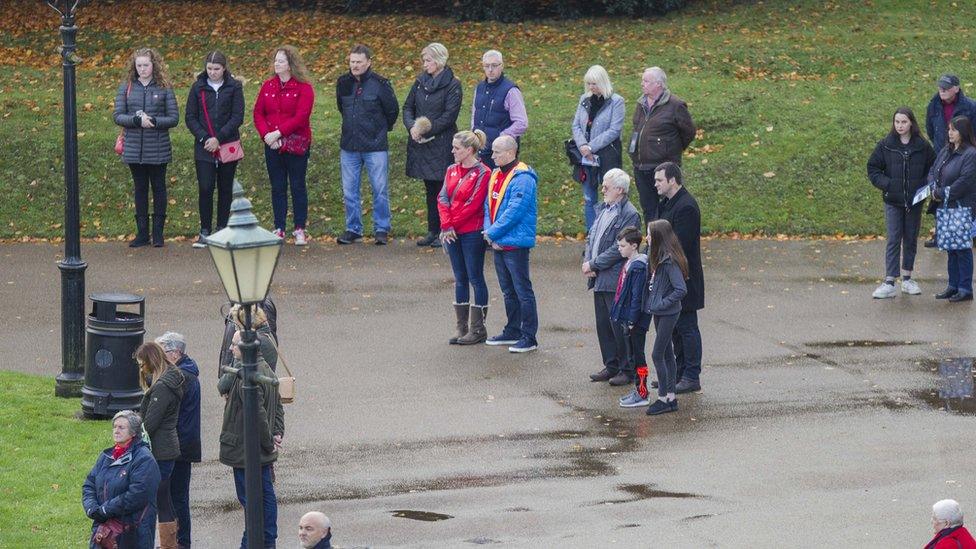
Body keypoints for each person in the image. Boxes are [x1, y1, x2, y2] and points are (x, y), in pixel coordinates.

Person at [219, 330, 285, 549]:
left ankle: (257, 543)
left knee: (254, 505)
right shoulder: (265, 370)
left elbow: (258, 416)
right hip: (255, 450)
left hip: (246, 451)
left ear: (246, 349)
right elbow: (277, 408)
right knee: (263, 499)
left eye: (234, 345)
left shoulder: (247, 376)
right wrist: (277, 432)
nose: (230, 349)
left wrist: (268, 443)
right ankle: (266, 540)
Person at [867, 107, 937, 298]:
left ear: (911, 123)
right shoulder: (886, 145)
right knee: (893, 239)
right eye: (897, 122)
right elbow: (873, 168)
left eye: (903, 122)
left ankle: (907, 278)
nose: (900, 125)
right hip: (893, 201)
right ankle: (889, 281)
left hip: (914, 202)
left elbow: (934, 167)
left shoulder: (922, 146)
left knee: (911, 239)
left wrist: (925, 187)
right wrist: (887, 184)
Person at [114, 47, 179, 248]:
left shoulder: (164, 87)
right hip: (134, 147)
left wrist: (154, 121)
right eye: (139, 65)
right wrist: (135, 120)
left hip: (158, 146)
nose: (142, 69)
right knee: (140, 188)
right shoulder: (126, 87)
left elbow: (174, 118)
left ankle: (158, 233)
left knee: (158, 187)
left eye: (146, 65)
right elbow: (117, 115)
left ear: (154, 65)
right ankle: (142, 233)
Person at [336, 44, 399, 245]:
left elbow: (392, 111)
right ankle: (353, 228)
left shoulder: (381, 84)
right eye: (352, 62)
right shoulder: (343, 83)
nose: (354, 65)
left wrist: (378, 130)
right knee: (349, 190)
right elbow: (341, 108)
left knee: (379, 188)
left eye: (358, 62)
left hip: (375, 146)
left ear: (368, 62)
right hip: (349, 145)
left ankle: (381, 228)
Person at [583, 169, 641, 386]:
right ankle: (611, 364)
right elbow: (592, 237)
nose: (603, 189)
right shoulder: (603, 209)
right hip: (598, 276)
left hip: (614, 277)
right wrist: (588, 260)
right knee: (603, 325)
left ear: (620, 190)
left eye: (607, 186)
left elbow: (620, 248)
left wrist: (594, 263)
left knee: (618, 325)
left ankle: (627, 369)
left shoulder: (630, 213)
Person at [254, 45, 315, 246]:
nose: (277, 64)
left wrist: (279, 133)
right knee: (277, 187)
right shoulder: (268, 86)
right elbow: (258, 113)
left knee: (297, 186)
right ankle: (279, 227)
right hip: (272, 145)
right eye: (276, 61)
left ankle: (299, 228)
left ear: (290, 64)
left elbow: (301, 116)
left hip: (296, 145)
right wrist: (267, 136)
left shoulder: (304, 88)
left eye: (281, 61)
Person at [403, 42, 463, 248]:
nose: (424, 64)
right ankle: (432, 230)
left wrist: (425, 129)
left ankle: (446, 230)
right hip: (423, 145)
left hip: (443, 143)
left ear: (439, 61)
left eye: (428, 60)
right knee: (430, 188)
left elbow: (449, 116)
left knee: (444, 189)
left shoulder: (453, 84)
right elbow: (407, 107)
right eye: (424, 60)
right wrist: (412, 127)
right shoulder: (420, 82)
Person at [483, 135, 539, 353]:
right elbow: (489, 205)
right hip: (499, 240)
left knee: (522, 290)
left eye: (497, 152)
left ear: (510, 152)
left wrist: (493, 233)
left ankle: (529, 336)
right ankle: (513, 329)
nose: (492, 155)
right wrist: (492, 234)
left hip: (514, 243)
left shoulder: (523, 178)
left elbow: (515, 211)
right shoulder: (496, 173)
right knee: (508, 290)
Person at [185, 51, 245, 249]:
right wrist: (205, 138)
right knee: (205, 187)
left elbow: (237, 116)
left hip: (227, 144)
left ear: (224, 68)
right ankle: (204, 230)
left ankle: (222, 229)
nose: (212, 73)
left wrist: (219, 138)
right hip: (204, 147)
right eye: (209, 69)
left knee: (225, 188)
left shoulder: (234, 87)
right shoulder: (197, 88)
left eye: (216, 69)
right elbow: (190, 117)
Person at [655, 162, 705, 393]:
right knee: (675, 327)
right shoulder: (667, 203)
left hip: (684, 277)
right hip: (670, 276)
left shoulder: (686, 207)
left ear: (672, 180)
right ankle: (678, 373)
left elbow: (679, 245)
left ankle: (691, 375)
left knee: (687, 326)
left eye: (659, 181)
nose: (655, 184)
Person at [439, 130, 492, 345]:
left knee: (475, 277)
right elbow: (442, 197)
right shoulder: (451, 170)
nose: (452, 151)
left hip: (471, 232)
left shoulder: (483, 172)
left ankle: (478, 328)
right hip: (452, 231)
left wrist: (452, 224)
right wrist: (446, 225)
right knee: (460, 277)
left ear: (469, 150)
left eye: (456, 148)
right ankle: (461, 327)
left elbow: (473, 204)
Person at [83, 410, 160, 549]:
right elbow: (89, 484)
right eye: (114, 426)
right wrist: (91, 508)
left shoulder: (144, 459)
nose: (116, 431)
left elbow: (137, 495)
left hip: (132, 534)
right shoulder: (106, 456)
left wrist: (105, 510)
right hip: (104, 532)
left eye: (121, 427)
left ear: (133, 432)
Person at [135, 342, 186, 549]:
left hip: (161, 451)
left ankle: (168, 545)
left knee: (161, 500)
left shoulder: (163, 387)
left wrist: (135, 431)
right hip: (167, 449)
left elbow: (150, 423)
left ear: (150, 361)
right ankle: (170, 544)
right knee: (165, 499)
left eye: (142, 363)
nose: (141, 368)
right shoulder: (169, 380)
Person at [629, 67, 695, 223]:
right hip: (641, 167)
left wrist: (671, 149)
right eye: (642, 80)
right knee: (648, 209)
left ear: (658, 84)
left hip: (664, 167)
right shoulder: (641, 103)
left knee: (668, 207)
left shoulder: (676, 105)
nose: (642, 84)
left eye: (646, 81)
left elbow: (689, 132)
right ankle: (653, 244)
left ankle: (669, 244)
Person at [155, 332, 201, 549]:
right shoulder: (187, 373)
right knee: (177, 496)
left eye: (161, 352)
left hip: (178, 445)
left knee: (175, 498)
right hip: (183, 442)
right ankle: (178, 542)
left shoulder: (181, 378)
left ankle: (179, 542)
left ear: (174, 354)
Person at [641, 219, 689, 416]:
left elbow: (680, 289)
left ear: (659, 237)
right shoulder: (657, 257)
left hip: (668, 312)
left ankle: (663, 398)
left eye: (650, 234)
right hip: (659, 312)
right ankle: (671, 396)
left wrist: (661, 303)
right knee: (667, 354)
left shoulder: (669, 261)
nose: (647, 238)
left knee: (657, 354)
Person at [571, 65, 625, 231]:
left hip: (607, 155)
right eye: (588, 84)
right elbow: (576, 125)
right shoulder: (584, 99)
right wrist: (582, 146)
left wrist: (591, 146)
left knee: (609, 197)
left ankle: (608, 235)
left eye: (594, 83)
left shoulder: (617, 101)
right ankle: (591, 235)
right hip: (586, 158)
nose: (591, 87)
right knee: (589, 198)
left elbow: (614, 130)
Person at [924, 74, 976, 248]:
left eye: (946, 87)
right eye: (940, 86)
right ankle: (941, 233)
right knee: (940, 195)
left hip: (965, 155)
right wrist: (944, 144)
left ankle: (969, 233)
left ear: (956, 88)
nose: (942, 90)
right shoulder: (933, 105)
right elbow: (930, 129)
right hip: (944, 152)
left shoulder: (970, 107)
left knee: (963, 194)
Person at [929, 115, 976, 302]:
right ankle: (953, 285)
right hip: (946, 208)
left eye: (953, 130)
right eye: (949, 129)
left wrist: (941, 193)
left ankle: (965, 288)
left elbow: (965, 181)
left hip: (962, 207)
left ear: (963, 132)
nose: (949, 133)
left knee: (962, 249)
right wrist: (933, 187)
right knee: (951, 248)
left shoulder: (971, 154)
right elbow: (933, 170)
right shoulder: (946, 150)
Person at [608, 227, 652, 408]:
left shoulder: (638, 267)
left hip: (636, 321)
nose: (619, 248)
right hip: (629, 318)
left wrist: (632, 320)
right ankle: (638, 390)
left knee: (638, 356)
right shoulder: (630, 263)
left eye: (622, 245)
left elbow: (636, 297)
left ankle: (642, 393)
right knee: (633, 355)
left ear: (634, 246)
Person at [471, 50, 528, 169]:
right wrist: (473, 139)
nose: (490, 69)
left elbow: (521, 123)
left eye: (494, 65)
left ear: (501, 66)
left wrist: (502, 137)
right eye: (486, 66)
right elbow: (474, 116)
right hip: (480, 151)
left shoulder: (511, 90)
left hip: (501, 153)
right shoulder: (479, 88)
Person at [219, 296, 278, 376]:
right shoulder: (239, 299)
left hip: (243, 377)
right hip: (232, 367)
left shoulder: (257, 304)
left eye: (237, 324)